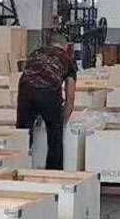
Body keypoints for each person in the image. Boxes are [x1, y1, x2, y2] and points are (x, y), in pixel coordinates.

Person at [16, 33, 77, 170]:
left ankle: (17, 168)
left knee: (23, 135)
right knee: (55, 137)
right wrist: (62, 121)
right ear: (65, 47)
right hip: (49, 91)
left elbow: (29, 73)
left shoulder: (36, 53)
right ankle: (53, 174)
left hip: (25, 89)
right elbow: (70, 96)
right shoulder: (67, 59)